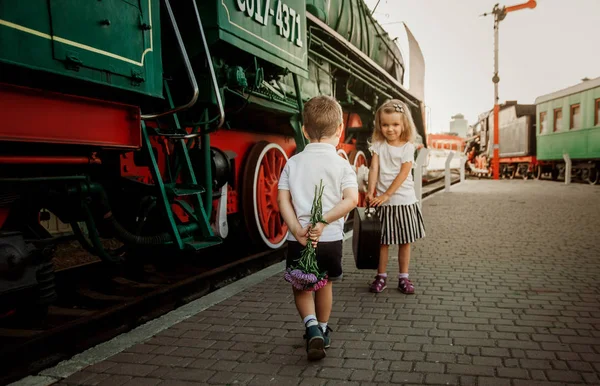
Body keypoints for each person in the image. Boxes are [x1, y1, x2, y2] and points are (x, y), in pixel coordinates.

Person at [277, 95, 359, 361]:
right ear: (339, 130)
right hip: (331, 240)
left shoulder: (293, 162)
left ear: (303, 130)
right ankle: (323, 330)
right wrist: (323, 222)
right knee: (324, 285)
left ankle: (310, 325)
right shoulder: (342, 164)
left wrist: (296, 228)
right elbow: (351, 200)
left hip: (299, 239)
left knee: (302, 287)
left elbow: (283, 200)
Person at [366, 99, 426, 294]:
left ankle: (404, 277)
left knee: (404, 241)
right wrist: (370, 190)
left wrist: (386, 194)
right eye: (385, 125)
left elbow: (403, 173)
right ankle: (381, 276)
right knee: (383, 241)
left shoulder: (408, 147)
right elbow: (374, 168)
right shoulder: (378, 145)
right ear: (379, 125)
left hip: (404, 201)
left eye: (395, 124)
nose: (390, 129)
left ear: (404, 125)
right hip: (384, 203)